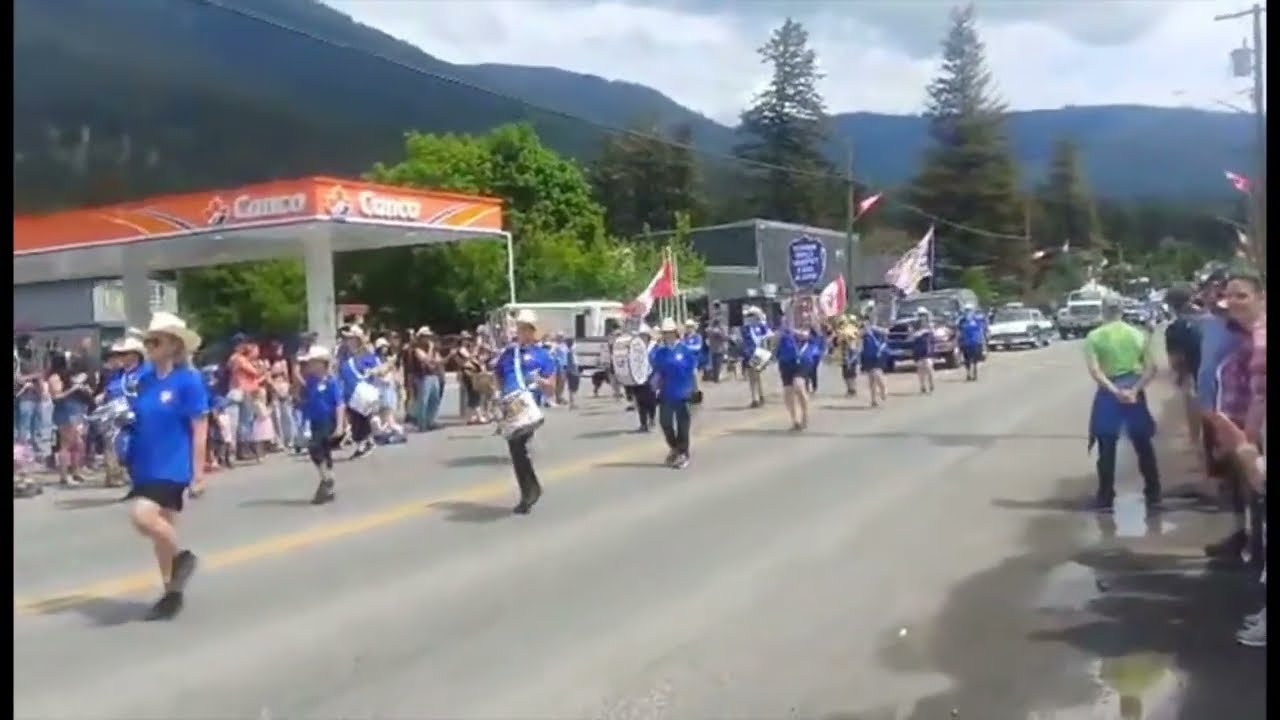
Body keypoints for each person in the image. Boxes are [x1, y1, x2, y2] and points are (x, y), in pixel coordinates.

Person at [124, 312, 208, 621]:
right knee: (163, 532)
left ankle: (184, 558)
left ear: (173, 345)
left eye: (155, 340)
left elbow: (200, 426)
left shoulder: (188, 380)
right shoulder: (144, 380)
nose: (149, 345)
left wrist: (199, 473)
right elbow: (139, 418)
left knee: (142, 516)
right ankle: (171, 593)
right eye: (147, 340)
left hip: (173, 464)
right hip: (145, 462)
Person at [1084, 297, 1160, 513]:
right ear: (1123, 310)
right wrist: (1134, 390)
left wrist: (1115, 390)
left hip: (1109, 391)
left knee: (1107, 444)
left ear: (1103, 311)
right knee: (1142, 442)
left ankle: (1105, 496)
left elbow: (1095, 371)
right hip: (1135, 387)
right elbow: (1152, 367)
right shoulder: (1138, 334)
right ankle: (1153, 492)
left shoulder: (1094, 337)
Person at [494, 309, 556, 514]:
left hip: (529, 407)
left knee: (519, 448)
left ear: (533, 331)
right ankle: (530, 490)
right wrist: (499, 396)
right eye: (520, 327)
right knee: (517, 451)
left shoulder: (543, 355)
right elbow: (499, 377)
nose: (522, 332)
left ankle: (529, 493)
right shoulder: (508, 354)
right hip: (511, 407)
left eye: (526, 328)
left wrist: (540, 381)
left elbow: (551, 387)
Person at [297, 346, 345, 504]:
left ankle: (327, 478)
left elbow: (339, 405)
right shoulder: (310, 382)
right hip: (315, 421)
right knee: (323, 452)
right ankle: (328, 485)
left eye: (312, 362)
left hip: (327, 420)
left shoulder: (331, 382)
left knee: (315, 448)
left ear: (321, 363)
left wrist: (339, 426)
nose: (309, 365)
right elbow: (304, 401)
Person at [652, 318, 698, 468]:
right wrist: (654, 387)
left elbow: (694, 373)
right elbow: (657, 373)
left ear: (675, 333)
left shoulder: (685, 351)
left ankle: (683, 453)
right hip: (666, 393)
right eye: (665, 333)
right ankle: (675, 448)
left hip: (684, 393)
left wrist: (696, 392)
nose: (667, 335)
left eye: (670, 332)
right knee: (665, 423)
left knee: (683, 425)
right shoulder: (660, 352)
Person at [338, 327, 381, 459]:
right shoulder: (344, 354)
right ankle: (365, 442)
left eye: (350, 338)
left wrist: (371, 374)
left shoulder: (364, 355)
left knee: (360, 418)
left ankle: (364, 443)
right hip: (349, 391)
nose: (347, 341)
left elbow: (376, 369)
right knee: (355, 418)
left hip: (360, 391)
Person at [776, 323, 818, 431]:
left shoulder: (811, 337)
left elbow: (807, 335)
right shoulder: (786, 331)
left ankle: (805, 415)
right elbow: (775, 336)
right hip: (786, 363)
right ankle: (795, 420)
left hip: (803, 362)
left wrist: (797, 331)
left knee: (799, 385)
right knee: (788, 392)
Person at [626, 326, 659, 432]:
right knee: (641, 402)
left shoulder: (655, 348)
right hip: (638, 378)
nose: (642, 338)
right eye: (640, 336)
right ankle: (643, 424)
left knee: (651, 401)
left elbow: (657, 363)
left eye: (644, 336)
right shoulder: (635, 348)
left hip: (651, 377)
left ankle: (652, 418)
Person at [740, 307, 773, 408]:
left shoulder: (761, 326)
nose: (750, 317)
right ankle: (758, 397)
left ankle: (757, 398)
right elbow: (743, 341)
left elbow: (770, 336)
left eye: (752, 315)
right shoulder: (746, 328)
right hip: (749, 353)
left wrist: (768, 350)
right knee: (754, 376)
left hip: (758, 353)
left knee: (754, 376)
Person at [860, 315, 889, 407]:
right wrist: (865, 330)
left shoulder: (876, 329)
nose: (865, 323)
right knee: (871, 378)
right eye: (863, 321)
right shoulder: (863, 331)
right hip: (867, 356)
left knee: (877, 374)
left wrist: (873, 329)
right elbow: (857, 337)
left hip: (878, 354)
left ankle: (883, 390)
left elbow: (886, 333)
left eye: (866, 321)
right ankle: (873, 400)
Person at [956, 303, 985, 382]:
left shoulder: (977, 320)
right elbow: (958, 332)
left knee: (975, 359)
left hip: (975, 343)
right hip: (965, 344)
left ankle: (975, 372)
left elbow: (981, 331)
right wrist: (958, 343)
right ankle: (968, 373)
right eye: (966, 310)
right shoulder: (961, 321)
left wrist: (983, 344)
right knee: (967, 360)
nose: (968, 312)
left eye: (969, 310)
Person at [910, 308, 936, 395]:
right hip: (917, 349)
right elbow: (912, 336)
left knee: (929, 366)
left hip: (927, 348)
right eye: (920, 315)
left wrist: (925, 330)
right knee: (920, 368)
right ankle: (922, 386)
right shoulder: (914, 325)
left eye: (923, 315)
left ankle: (931, 384)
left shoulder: (929, 324)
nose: (922, 317)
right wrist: (919, 333)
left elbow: (933, 333)